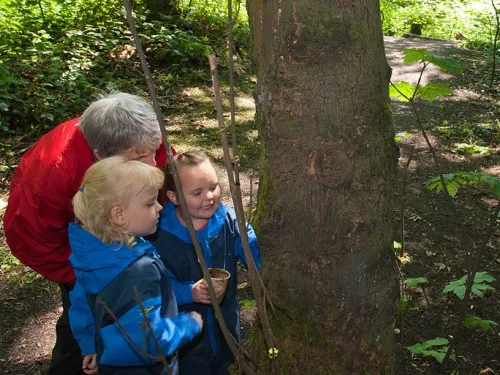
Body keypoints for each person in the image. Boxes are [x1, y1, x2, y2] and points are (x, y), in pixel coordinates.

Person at [2, 93, 169, 374]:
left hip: (132, 235)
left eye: (154, 149)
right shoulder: (51, 174)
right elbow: (31, 238)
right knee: (83, 323)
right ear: (101, 156)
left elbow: (161, 173)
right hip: (80, 257)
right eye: (141, 157)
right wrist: (84, 276)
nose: (153, 162)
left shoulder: (138, 137)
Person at [68, 156, 203, 375]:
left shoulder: (94, 254)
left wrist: (92, 344)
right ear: (118, 215)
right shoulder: (138, 272)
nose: (160, 207)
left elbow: (82, 304)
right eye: (150, 203)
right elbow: (147, 341)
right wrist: (188, 325)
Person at [150, 150, 261, 375]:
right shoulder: (160, 234)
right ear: (173, 197)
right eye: (197, 192)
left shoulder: (227, 220)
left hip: (226, 324)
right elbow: (155, 284)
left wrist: (263, 269)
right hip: (188, 333)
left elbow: (250, 250)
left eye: (213, 187)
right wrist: (188, 292)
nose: (209, 197)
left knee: (226, 365)